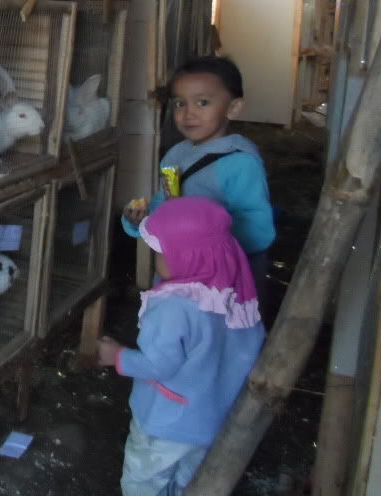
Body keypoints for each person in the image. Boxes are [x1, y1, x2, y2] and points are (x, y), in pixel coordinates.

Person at [99, 197, 265, 495]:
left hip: (167, 421)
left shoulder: (173, 307)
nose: (156, 258)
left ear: (185, 257)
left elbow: (158, 365)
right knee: (190, 481)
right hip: (212, 420)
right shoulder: (235, 296)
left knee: (143, 480)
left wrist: (117, 356)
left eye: (160, 252)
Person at [122, 55, 275, 308]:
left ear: (233, 108)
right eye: (180, 103)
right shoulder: (176, 155)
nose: (188, 113)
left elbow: (259, 232)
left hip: (222, 288)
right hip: (177, 278)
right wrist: (141, 221)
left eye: (202, 102)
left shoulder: (241, 163)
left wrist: (198, 238)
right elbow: (166, 203)